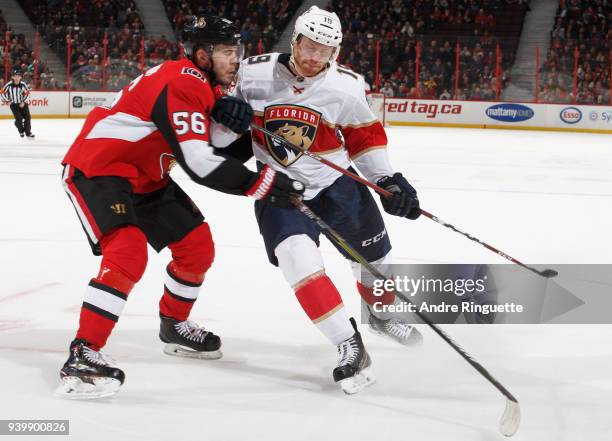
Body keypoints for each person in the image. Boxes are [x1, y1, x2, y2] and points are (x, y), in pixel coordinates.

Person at [56, 15, 304, 399]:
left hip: (145, 178)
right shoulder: (182, 81)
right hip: (100, 169)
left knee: (197, 247)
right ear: (202, 55)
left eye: (236, 51)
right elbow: (199, 163)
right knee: (128, 251)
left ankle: (174, 325)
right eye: (226, 52)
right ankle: (83, 354)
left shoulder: (207, 86)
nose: (235, 60)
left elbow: (216, 146)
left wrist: (234, 128)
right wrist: (262, 182)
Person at [219, 6, 422, 394]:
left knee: (376, 262)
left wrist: (388, 181)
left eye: (324, 51)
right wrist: (226, 123)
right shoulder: (252, 74)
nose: (314, 57)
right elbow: (223, 126)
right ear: (294, 40)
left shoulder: (346, 86)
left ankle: (379, 316)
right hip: (279, 191)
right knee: (298, 261)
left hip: (336, 186)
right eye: (309, 46)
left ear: (336, 53)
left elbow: (364, 137)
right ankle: (349, 344)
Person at [1, 69, 34, 138]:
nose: (16, 78)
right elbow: (2, 92)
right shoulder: (9, 85)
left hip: (22, 103)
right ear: (12, 77)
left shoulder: (23, 84)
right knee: (19, 118)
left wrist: (24, 102)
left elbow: (28, 93)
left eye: (18, 76)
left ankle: (28, 133)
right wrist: (8, 100)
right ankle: (21, 131)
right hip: (14, 105)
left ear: (20, 77)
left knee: (27, 117)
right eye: (15, 76)